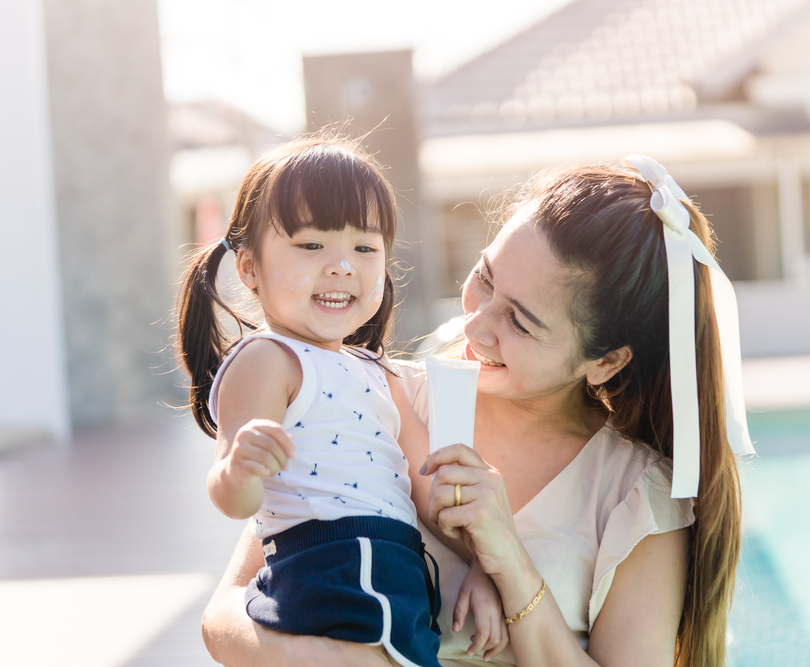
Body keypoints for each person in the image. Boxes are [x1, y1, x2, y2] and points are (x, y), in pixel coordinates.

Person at [201, 155, 755, 667]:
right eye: (485, 277)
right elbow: (226, 611)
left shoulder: (634, 495)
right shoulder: (387, 397)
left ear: (605, 361)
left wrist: (508, 566)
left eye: (519, 321)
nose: (474, 324)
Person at [176, 134, 507, 667]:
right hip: (325, 564)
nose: (342, 266)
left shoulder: (380, 374)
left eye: (364, 248)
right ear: (248, 269)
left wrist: (482, 571)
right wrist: (241, 470)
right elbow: (233, 498)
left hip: (398, 572)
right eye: (311, 245)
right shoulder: (269, 358)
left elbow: (431, 489)